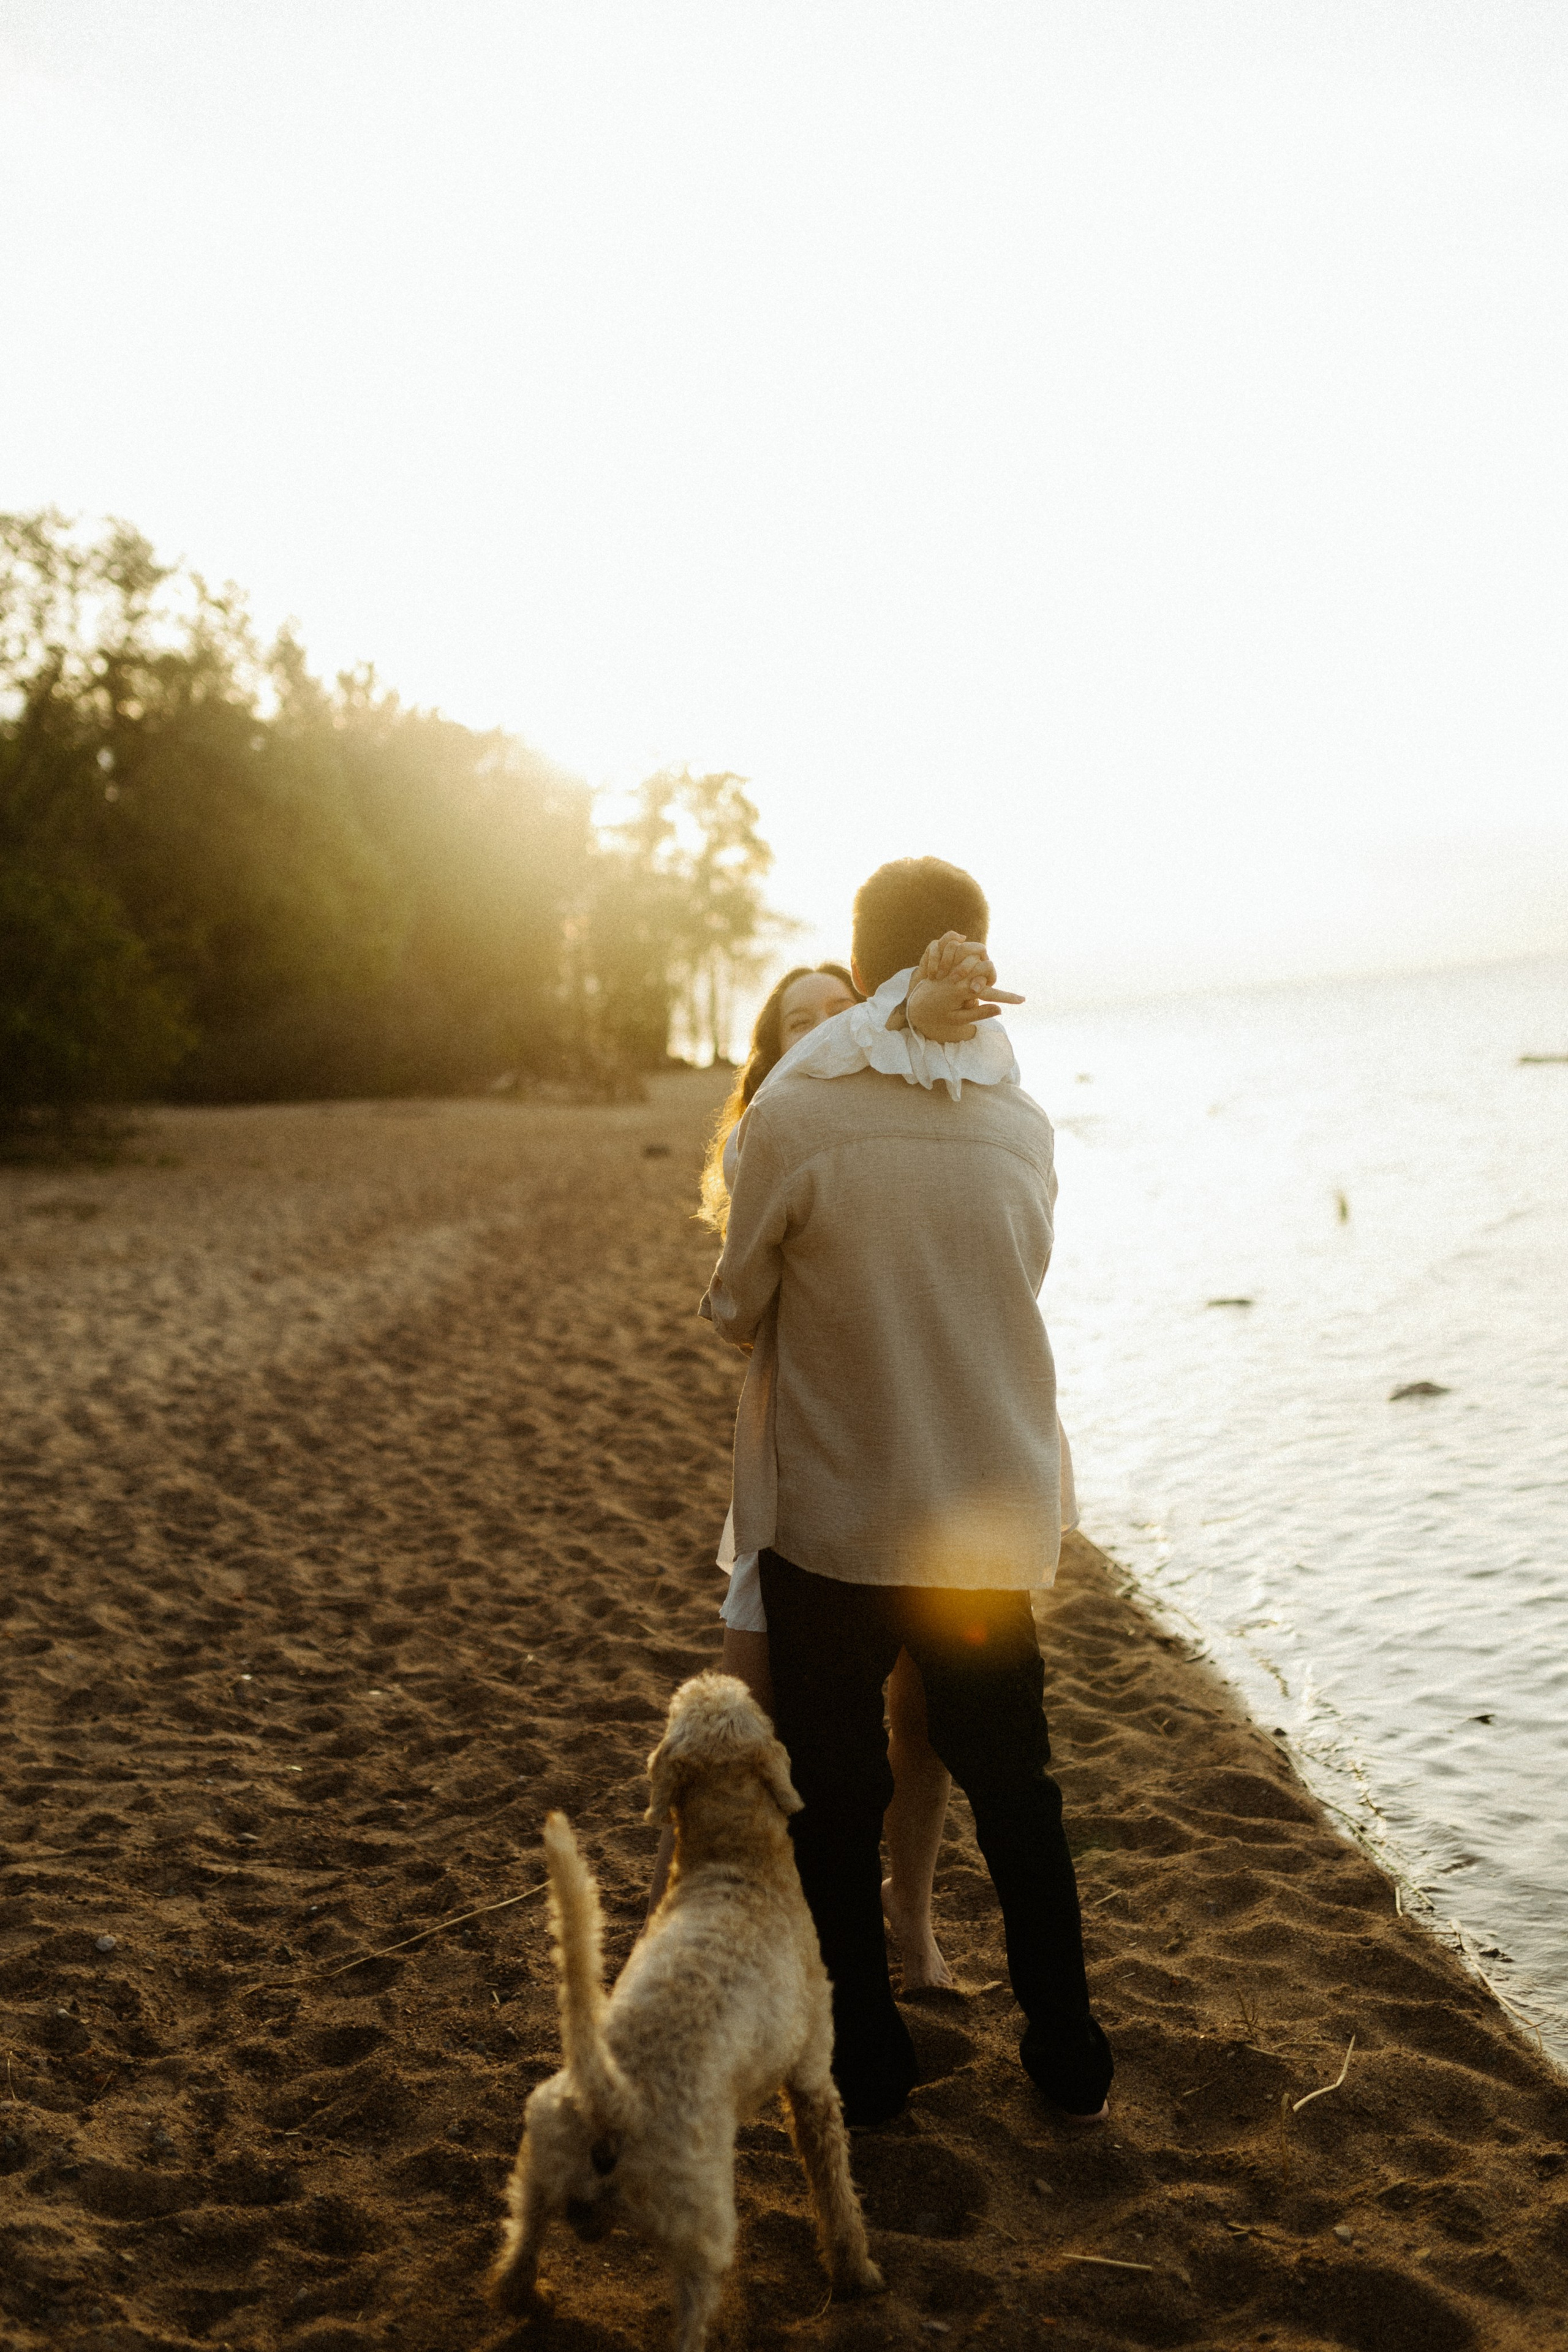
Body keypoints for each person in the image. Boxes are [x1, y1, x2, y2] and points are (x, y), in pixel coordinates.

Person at [701, 856, 1113, 2128]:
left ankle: (869, 2061)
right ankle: (1066, 2050)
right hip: (983, 1515)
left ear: (858, 951)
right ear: (972, 953)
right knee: (1016, 1790)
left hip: (838, 1513)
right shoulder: (1020, 1123)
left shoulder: (795, 1114)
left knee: (837, 1793)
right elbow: (1019, 1275)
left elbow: (734, 1304)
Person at [652, 940, 1013, 1991]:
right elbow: (737, 1314)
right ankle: (704, 1931)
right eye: (798, 1024)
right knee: (751, 1722)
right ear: (769, 1062)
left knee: (920, 1729)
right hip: (807, 1482)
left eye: (837, 1015)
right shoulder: (767, 1143)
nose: (822, 1033)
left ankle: (915, 1933)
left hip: (917, 1477)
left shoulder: (881, 1130)